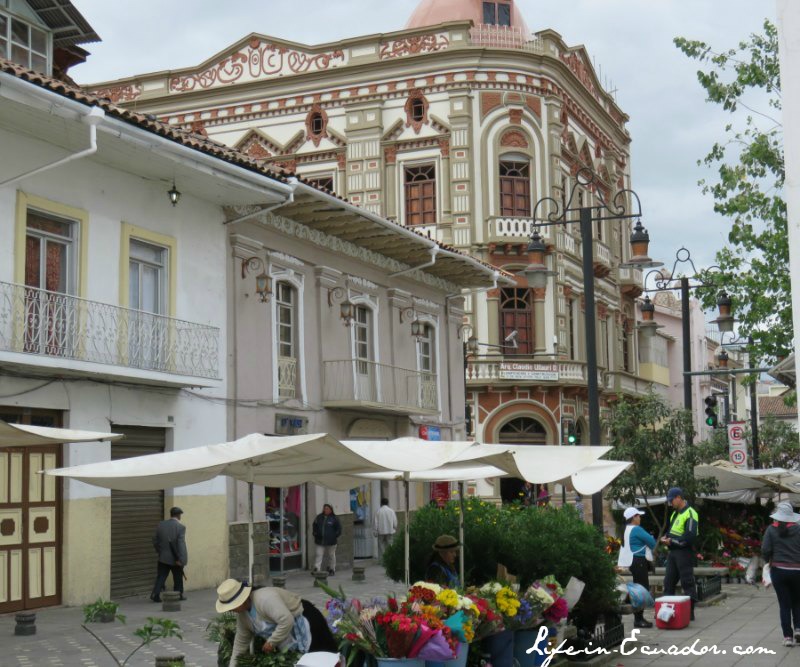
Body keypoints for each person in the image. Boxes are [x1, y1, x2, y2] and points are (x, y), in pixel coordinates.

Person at [215, 579, 337, 667]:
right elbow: (240, 645)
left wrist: (272, 642)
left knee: (321, 660)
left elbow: (286, 620)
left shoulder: (264, 599)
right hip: (289, 638)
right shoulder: (243, 617)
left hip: (308, 624)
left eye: (231, 607)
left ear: (240, 601)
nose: (230, 610)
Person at [761, 501, 800, 647]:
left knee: (784, 604)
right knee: (797, 601)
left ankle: (788, 637)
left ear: (777, 516)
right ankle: (798, 629)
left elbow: (765, 550)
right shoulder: (798, 529)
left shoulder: (771, 530)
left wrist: (768, 561)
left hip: (779, 571)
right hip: (798, 571)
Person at [661, 487, 698, 620]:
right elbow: (671, 531)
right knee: (668, 582)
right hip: (673, 553)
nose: (670, 503)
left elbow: (690, 537)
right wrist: (666, 538)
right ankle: (666, 612)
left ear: (678, 497)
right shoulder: (674, 514)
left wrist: (673, 542)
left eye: (671, 500)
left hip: (684, 552)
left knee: (687, 582)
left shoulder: (690, 513)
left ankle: (690, 613)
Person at [618, 507, 656, 628]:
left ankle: (638, 617)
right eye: (638, 516)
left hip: (632, 561)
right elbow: (652, 543)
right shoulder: (636, 529)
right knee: (641, 590)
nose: (640, 518)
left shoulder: (626, 529)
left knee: (638, 589)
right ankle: (638, 619)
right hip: (639, 560)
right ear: (633, 517)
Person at [150, 506, 187, 602]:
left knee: (161, 577)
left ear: (171, 514)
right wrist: (182, 560)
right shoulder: (180, 527)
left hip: (163, 557)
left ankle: (155, 594)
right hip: (175, 559)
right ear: (178, 515)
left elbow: (154, 540)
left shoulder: (161, 524)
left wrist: (160, 551)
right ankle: (178, 595)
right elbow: (181, 545)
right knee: (178, 577)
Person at [312, 503, 341, 575]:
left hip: (331, 541)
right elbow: (314, 525)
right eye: (324, 508)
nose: (326, 510)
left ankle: (332, 568)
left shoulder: (334, 518)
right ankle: (316, 568)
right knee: (319, 554)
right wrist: (315, 533)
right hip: (320, 540)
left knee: (331, 555)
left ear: (331, 510)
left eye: (327, 509)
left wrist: (334, 536)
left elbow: (339, 529)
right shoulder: (319, 517)